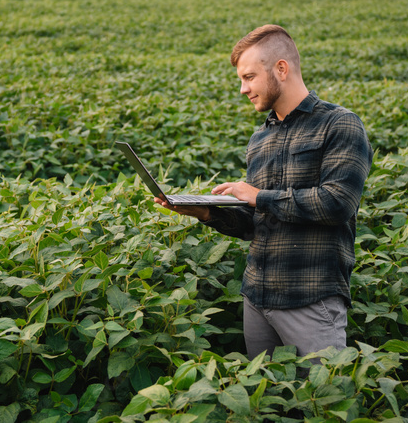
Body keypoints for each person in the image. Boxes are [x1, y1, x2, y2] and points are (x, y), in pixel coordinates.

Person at [154, 24, 373, 359]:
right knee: (265, 402)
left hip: (310, 299)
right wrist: (205, 212)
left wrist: (257, 195)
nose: (243, 89)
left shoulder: (339, 124)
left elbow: (337, 203)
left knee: (323, 400)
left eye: (249, 77)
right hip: (256, 299)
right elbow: (257, 223)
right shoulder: (260, 140)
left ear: (281, 69)